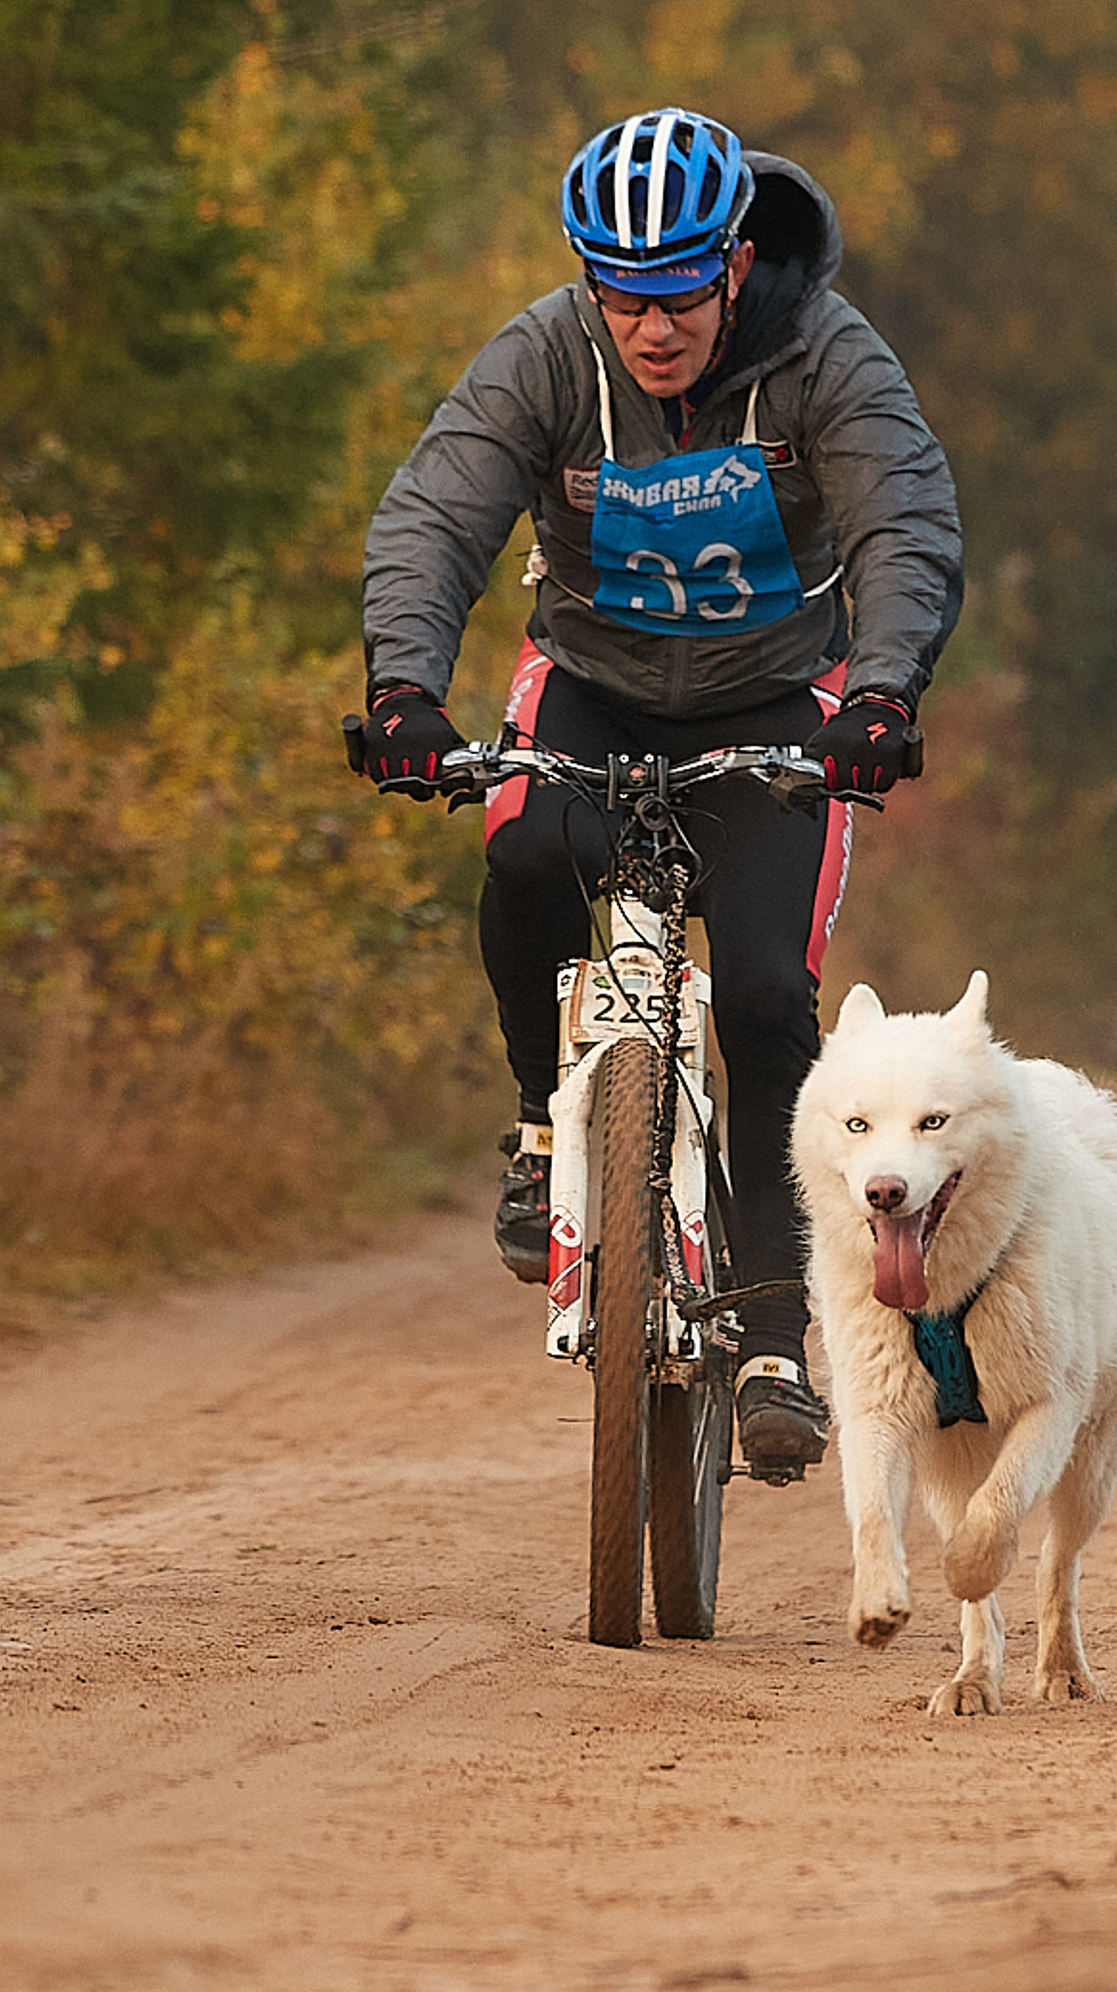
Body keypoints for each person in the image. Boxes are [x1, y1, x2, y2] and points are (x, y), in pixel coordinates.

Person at [357, 107, 963, 1477]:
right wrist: (405, 688)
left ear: (736, 265)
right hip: (588, 681)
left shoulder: (825, 357)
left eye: (680, 288)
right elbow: (438, 511)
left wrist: (881, 698)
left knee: (760, 996)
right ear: (587, 277)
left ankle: (770, 1344)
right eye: (618, 290)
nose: (650, 326)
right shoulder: (545, 354)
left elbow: (902, 523)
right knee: (518, 857)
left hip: (776, 703)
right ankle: (534, 1127)